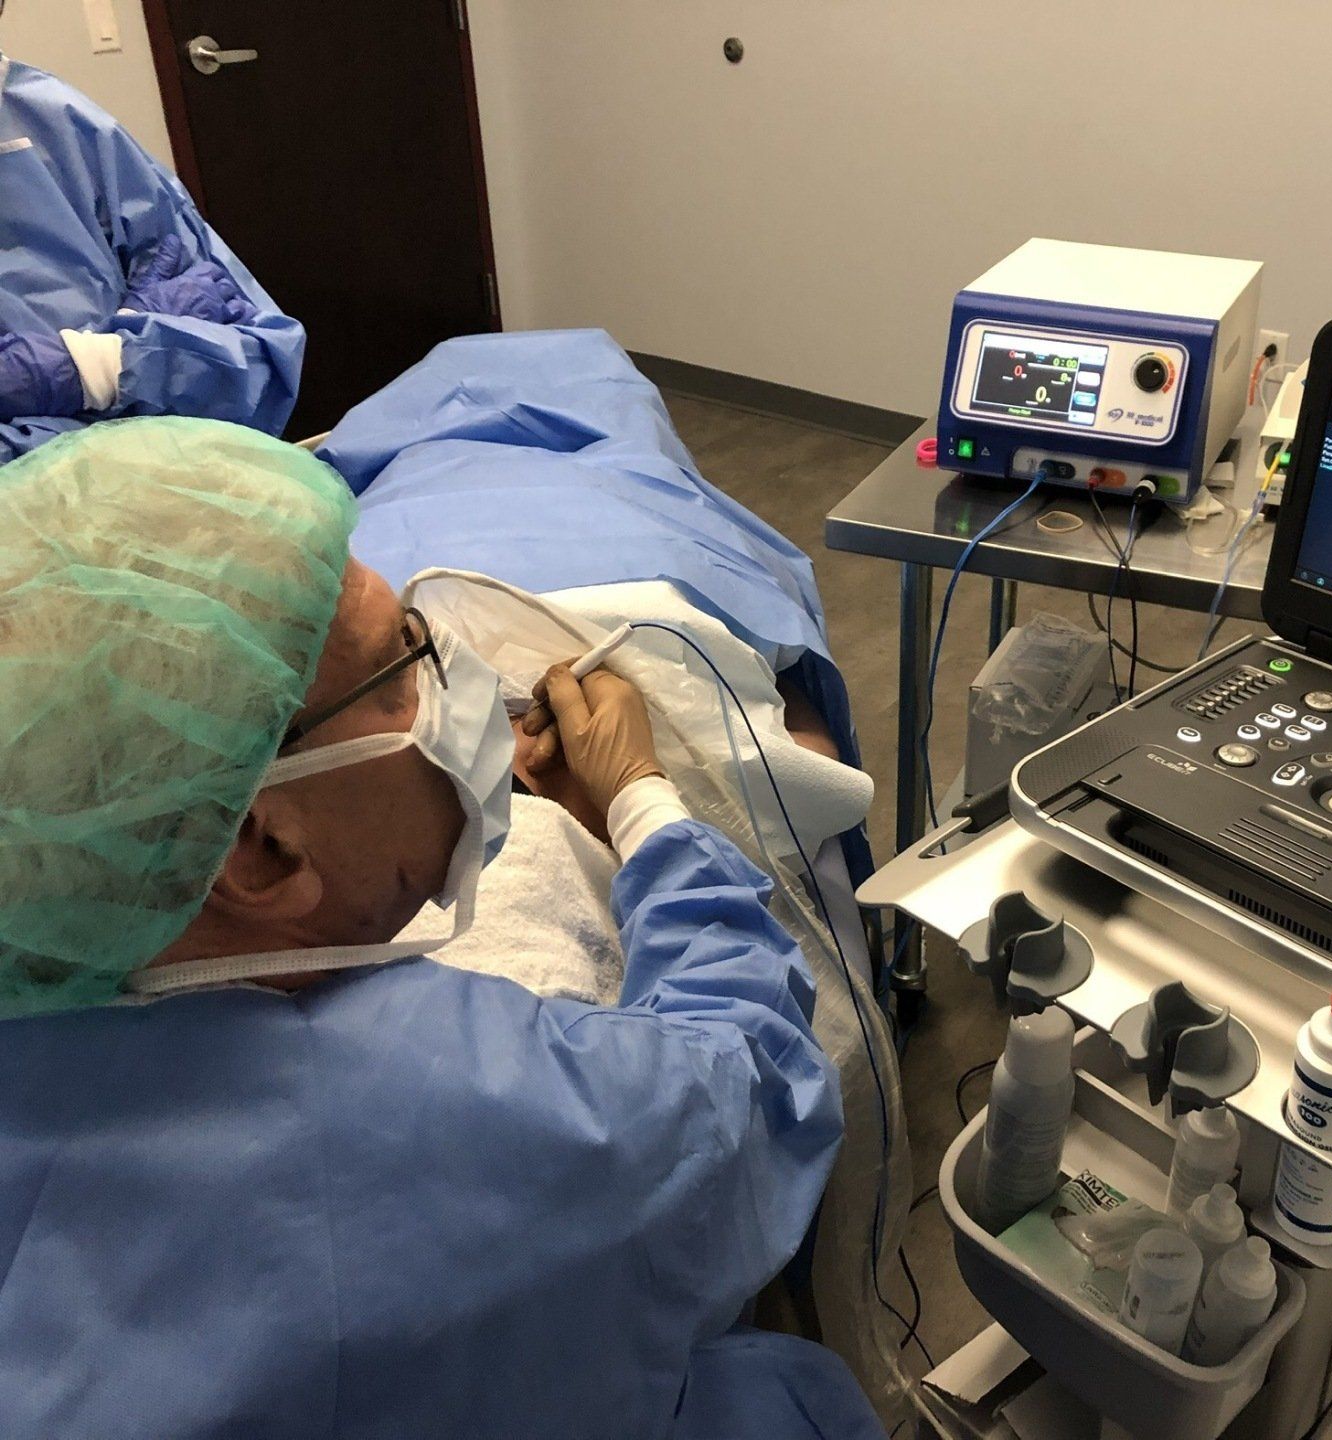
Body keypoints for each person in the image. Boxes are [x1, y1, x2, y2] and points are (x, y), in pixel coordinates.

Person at [0, 417, 885, 1439]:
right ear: (262, 851)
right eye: (406, 660)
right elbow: (743, 1100)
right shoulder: (438, 1118)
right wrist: (643, 805)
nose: (458, 671)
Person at [0, 37, 304, 461]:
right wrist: (125, 364)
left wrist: (100, 364)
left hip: (180, 484)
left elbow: (257, 360)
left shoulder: (57, 125)